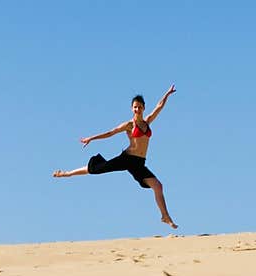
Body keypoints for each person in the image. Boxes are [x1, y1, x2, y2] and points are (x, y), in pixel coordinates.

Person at [53, 85, 178, 229]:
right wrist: (91, 138)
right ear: (132, 109)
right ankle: (67, 174)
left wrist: (167, 94)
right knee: (98, 168)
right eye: (134, 107)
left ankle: (165, 216)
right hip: (127, 158)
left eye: (139, 107)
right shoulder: (129, 125)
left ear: (143, 108)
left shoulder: (147, 122)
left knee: (158, 186)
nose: (137, 109)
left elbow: (159, 106)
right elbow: (110, 133)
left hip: (139, 164)